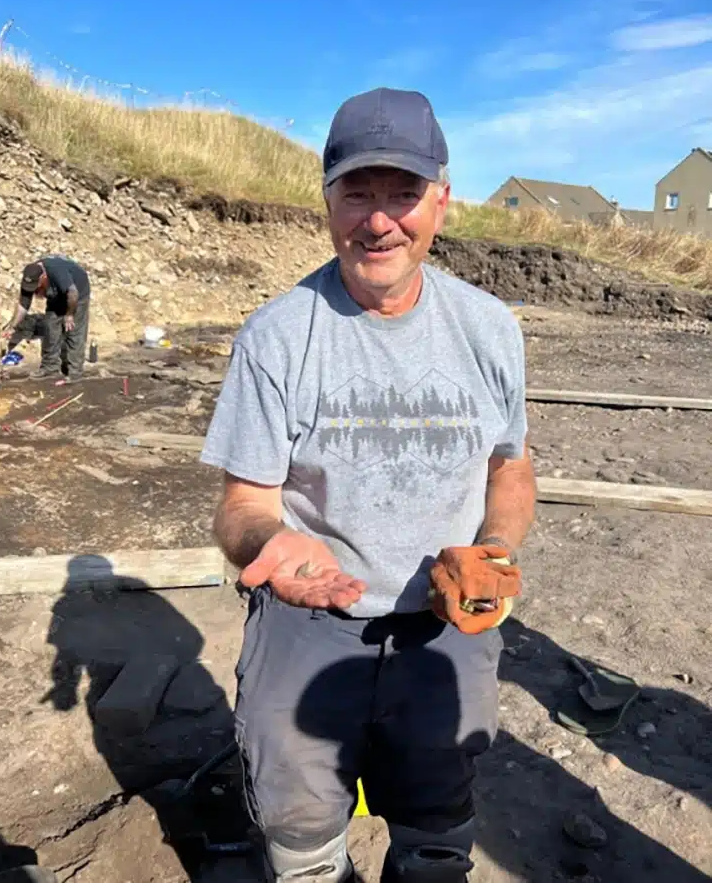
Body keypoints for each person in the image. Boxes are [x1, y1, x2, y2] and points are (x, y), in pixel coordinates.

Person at [200, 87, 537, 883]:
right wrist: (271, 544)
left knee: (438, 818)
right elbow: (243, 506)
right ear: (327, 201)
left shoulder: (490, 330)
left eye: (404, 194)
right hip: (310, 621)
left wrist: (494, 548)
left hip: (445, 623)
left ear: (441, 204)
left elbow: (511, 466)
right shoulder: (278, 337)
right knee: (298, 817)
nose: (379, 220)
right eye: (359, 191)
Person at [3, 256, 91, 381]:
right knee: (50, 327)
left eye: (37, 286)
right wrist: (13, 327)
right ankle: (50, 367)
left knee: (74, 332)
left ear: (43, 277)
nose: (35, 290)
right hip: (56, 295)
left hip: (77, 294)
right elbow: (23, 305)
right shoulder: (30, 277)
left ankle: (75, 371)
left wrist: (69, 315)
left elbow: (73, 293)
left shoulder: (57, 271)